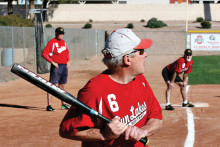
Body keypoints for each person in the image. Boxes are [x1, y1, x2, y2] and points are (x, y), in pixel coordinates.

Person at [59, 28, 163, 147]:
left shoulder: (140, 80)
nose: (145, 54)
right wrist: (103, 134)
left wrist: (143, 131)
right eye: (141, 51)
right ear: (127, 59)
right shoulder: (94, 90)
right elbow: (66, 130)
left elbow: (156, 118)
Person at [42, 27, 71, 111]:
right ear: (55, 34)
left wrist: (68, 61)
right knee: (52, 85)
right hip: (56, 66)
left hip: (64, 66)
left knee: (62, 85)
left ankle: (63, 104)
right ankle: (49, 105)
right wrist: (53, 62)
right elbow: (44, 54)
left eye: (62, 34)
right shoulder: (52, 42)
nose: (61, 35)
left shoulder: (64, 42)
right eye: (59, 34)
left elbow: (67, 52)